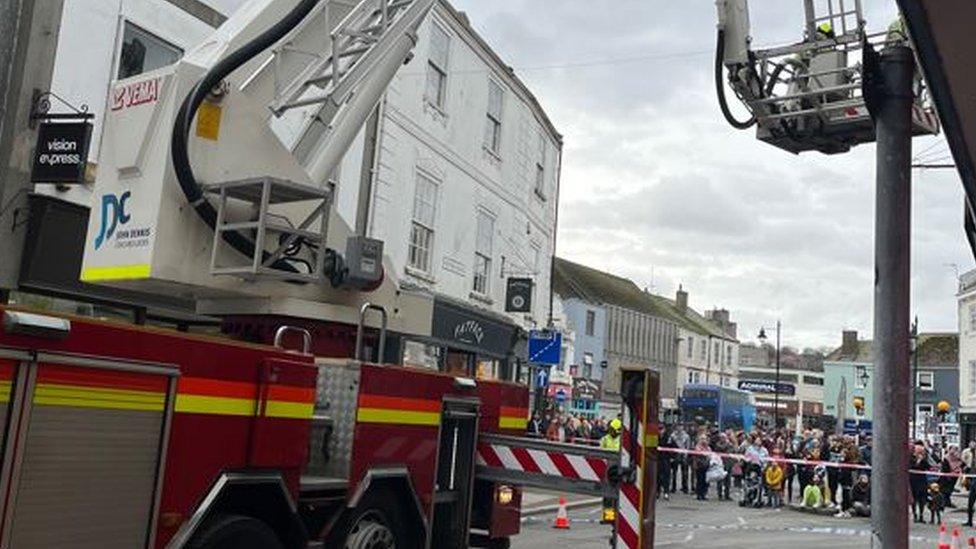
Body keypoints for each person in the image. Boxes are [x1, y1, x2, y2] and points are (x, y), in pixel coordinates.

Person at [910, 442, 932, 523]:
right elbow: (911, 467)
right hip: (913, 480)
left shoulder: (924, 458)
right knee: (914, 498)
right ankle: (914, 514)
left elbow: (928, 467)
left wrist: (923, 460)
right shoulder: (911, 458)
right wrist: (918, 461)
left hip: (922, 480)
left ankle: (921, 515)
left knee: (922, 499)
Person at [670, 425, 691, 494]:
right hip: (675, 455)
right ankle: (673, 487)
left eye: (681, 426)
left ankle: (685, 487)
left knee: (685, 473)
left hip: (683, 454)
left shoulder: (686, 436)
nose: (679, 428)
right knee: (674, 473)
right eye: (678, 426)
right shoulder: (673, 435)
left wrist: (686, 455)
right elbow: (670, 445)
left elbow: (688, 446)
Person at [713, 432, 734, 501]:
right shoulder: (718, 444)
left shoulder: (730, 444)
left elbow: (731, 451)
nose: (723, 439)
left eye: (724, 437)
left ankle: (727, 495)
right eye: (722, 437)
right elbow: (720, 449)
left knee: (728, 481)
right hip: (720, 464)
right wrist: (727, 445)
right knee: (720, 480)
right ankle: (720, 495)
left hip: (728, 464)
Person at [694, 435, 711, 501]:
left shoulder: (708, 447)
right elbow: (699, 454)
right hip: (699, 465)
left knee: (705, 481)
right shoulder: (697, 447)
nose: (704, 440)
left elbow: (710, 455)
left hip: (706, 466)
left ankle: (704, 494)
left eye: (705, 439)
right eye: (702, 439)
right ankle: (699, 494)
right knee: (699, 480)